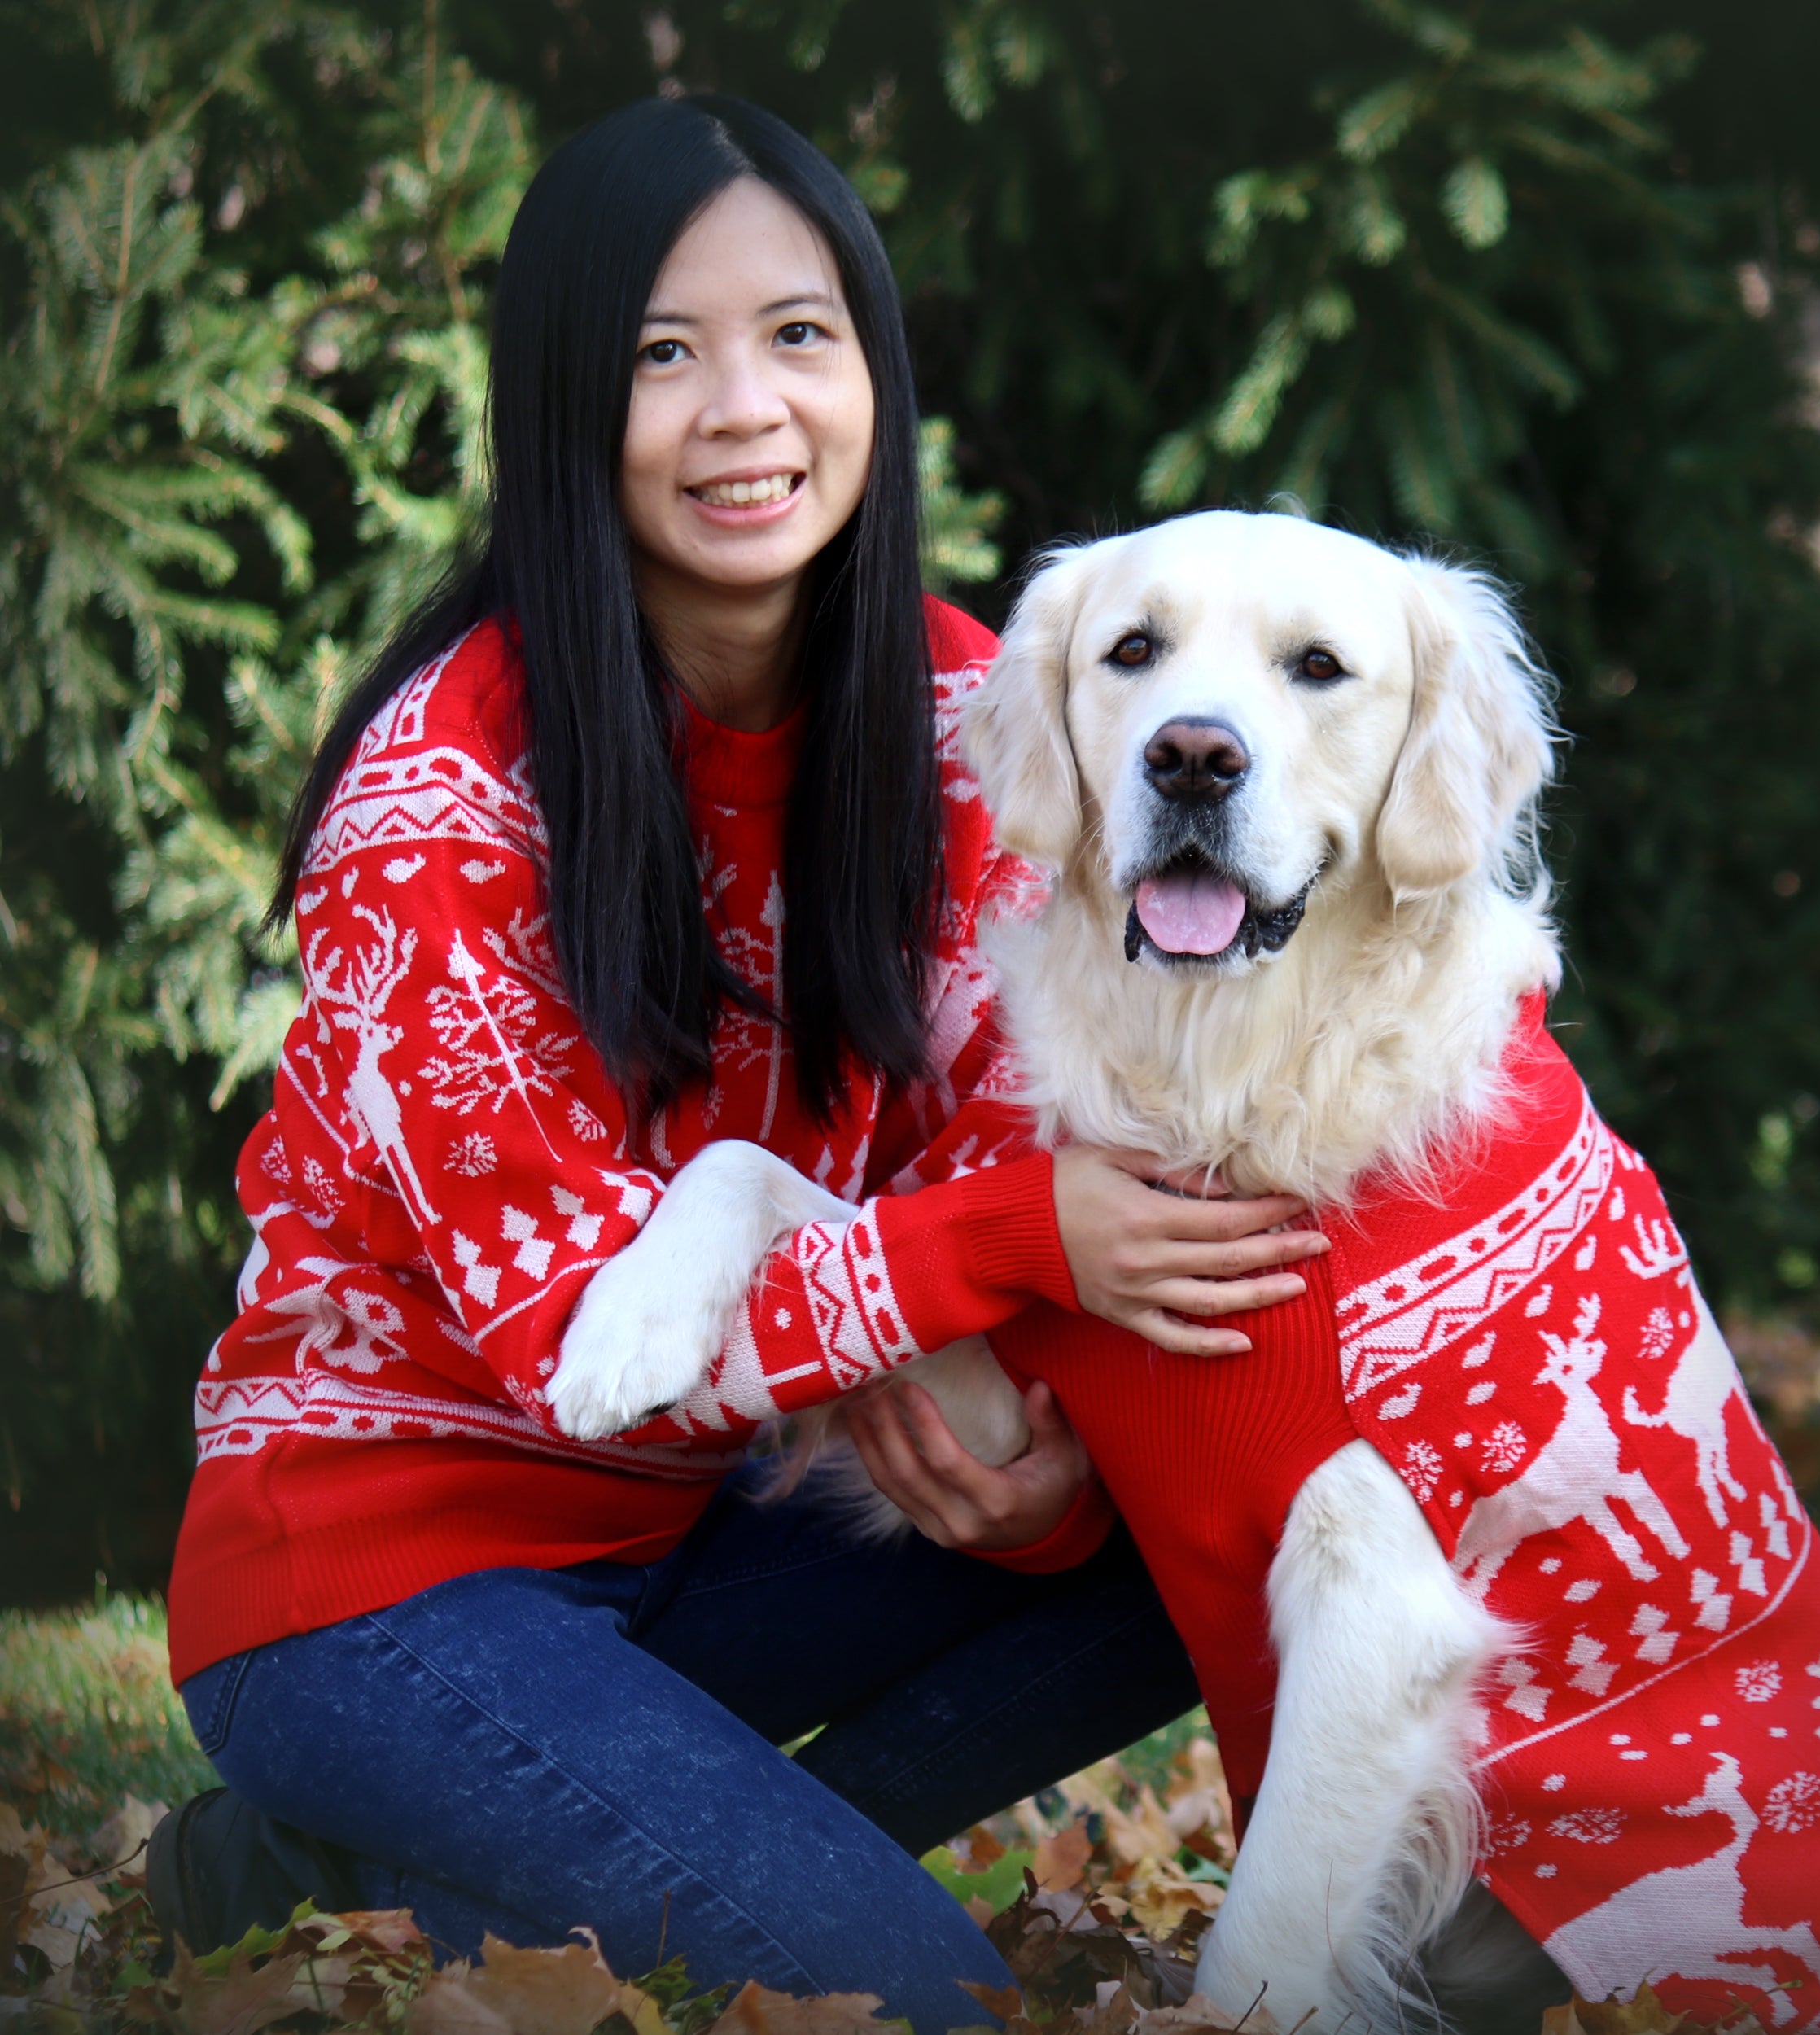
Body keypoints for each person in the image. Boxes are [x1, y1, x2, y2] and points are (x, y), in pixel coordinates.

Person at [149, 94, 1327, 2031]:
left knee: (1209, 1539)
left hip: (717, 1509)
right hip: (375, 1576)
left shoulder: (976, 712)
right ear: (562, 407)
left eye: (799, 336)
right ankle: (535, 1855)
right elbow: (567, 1327)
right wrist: (992, 1250)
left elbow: (1008, 1140)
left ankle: (370, 1882)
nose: (744, 412)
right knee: (911, 2004)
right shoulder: (438, 799)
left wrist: (1028, 1475)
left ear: (871, 364)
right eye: (658, 357)